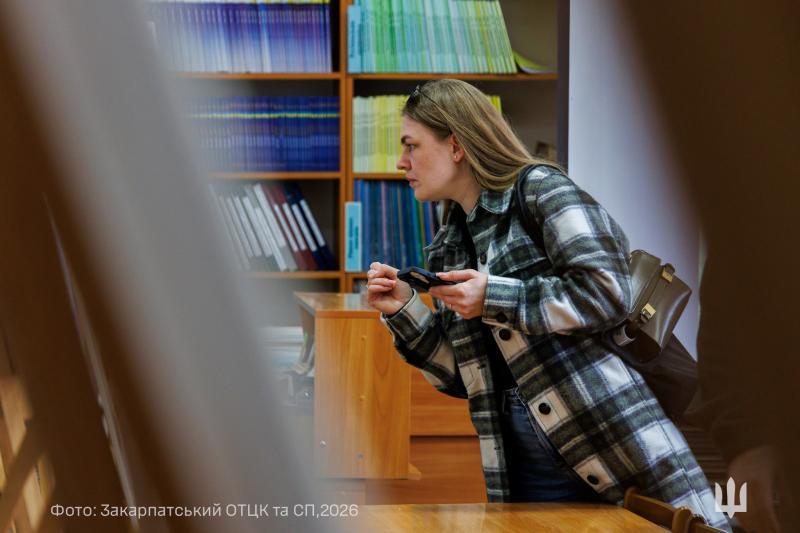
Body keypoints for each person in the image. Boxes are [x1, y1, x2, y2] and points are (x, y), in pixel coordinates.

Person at [366, 79, 729, 530]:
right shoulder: (449, 244)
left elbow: (608, 293)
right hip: (521, 465)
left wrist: (494, 297)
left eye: (412, 146)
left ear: (456, 145)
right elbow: (462, 378)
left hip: (614, 443)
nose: (401, 162)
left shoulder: (541, 190)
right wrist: (404, 310)